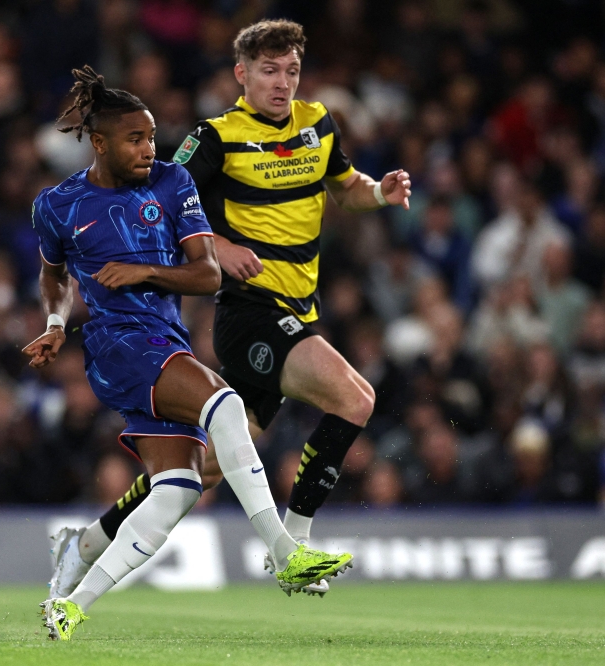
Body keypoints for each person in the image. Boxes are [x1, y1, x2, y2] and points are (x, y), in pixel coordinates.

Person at [48, 19, 409, 599]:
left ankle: (88, 540)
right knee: (355, 396)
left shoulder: (318, 123)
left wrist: (377, 192)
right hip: (249, 313)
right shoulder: (215, 137)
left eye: (291, 70)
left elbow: (343, 187)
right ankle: (293, 542)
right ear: (241, 74)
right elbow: (160, 206)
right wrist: (221, 245)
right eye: (269, 71)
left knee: (200, 472)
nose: (282, 83)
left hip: (301, 308)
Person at [29, 67, 351, 641]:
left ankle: (71, 596)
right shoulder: (59, 204)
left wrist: (147, 269)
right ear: (99, 143)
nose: (149, 148)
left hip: (164, 340)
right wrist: (56, 322)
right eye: (135, 139)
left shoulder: (173, 182)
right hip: (117, 344)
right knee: (225, 405)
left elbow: (207, 275)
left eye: (152, 136)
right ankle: (283, 548)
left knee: (177, 490)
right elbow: (54, 275)